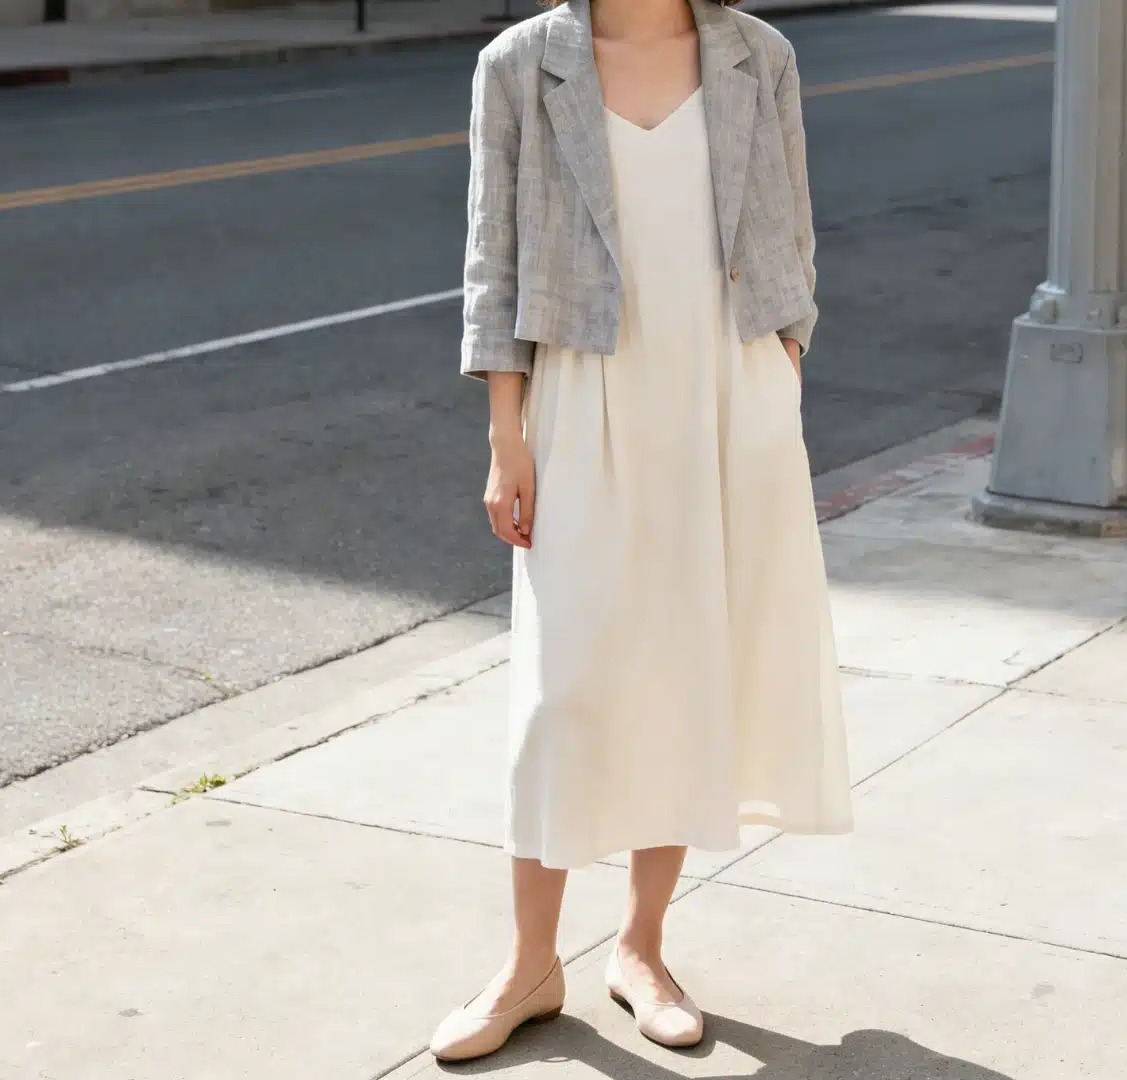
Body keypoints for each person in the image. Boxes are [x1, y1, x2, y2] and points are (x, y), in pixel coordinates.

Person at [432, 0, 850, 1062]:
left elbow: (791, 224)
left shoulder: (761, 55)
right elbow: (494, 259)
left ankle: (641, 946)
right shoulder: (522, 64)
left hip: (726, 393)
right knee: (563, 687)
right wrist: (506, 435)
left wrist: (780, 374)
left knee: (686, 666)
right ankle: (530, 964)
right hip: (586, 394)